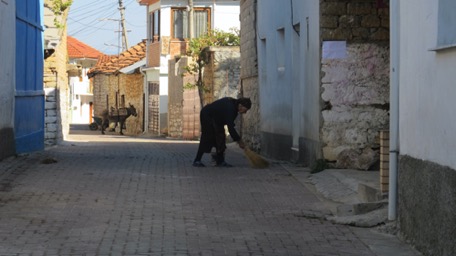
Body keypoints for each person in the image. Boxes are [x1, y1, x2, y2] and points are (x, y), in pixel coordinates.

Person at [193, 97, 252, 167]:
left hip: (217, 119)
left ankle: (220, 161)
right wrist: (239, 140)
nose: (245, 112)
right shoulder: (231, 108)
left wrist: (238, 140)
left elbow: (230, 125)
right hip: (207, 115)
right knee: (207, 136)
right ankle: (197, 160)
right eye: (245, 110)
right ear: (240, 105)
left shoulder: (234, 108)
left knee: (221, 137)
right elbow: (230, 128)